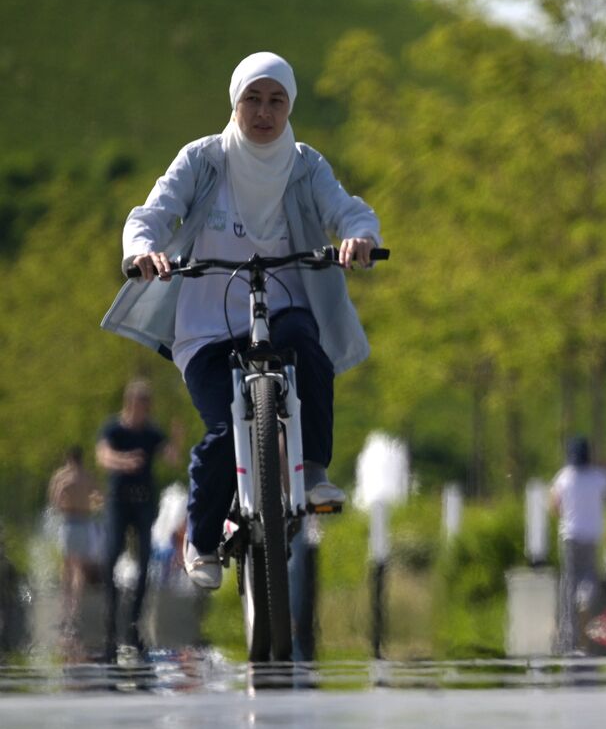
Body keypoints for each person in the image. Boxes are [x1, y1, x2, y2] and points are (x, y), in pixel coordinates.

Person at [101, 51, 382, 591]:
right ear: (234, 103)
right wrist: (142, 251)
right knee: (226, 428)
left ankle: (314, 469)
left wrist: (360, 237)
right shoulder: (203, 159)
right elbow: (153, 214)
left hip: (283, 307)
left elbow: (346, 209)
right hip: (206, 327)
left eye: (276, 100)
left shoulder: (304, 165)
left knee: (308, 345)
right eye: (252, 98)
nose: (264, 112)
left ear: (289, 106)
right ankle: (202, 540)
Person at [95, 379, 172, 657]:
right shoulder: (113, 428)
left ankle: (134, 620)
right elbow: (103, 456)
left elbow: (171, 457)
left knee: (145, 559)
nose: (144, 410)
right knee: (112, 554)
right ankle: (110, 617)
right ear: (129, 403)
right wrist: (124, 461)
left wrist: (176, 441)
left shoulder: (152, 432)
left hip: (143, 501)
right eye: (140, 404)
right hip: (118, 501)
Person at [550, 436, 606, 653]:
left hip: (570, 536)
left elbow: (554, 504)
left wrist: (565, 513)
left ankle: (569, 635)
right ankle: (585, 599)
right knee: (590, 575)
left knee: (569, 581)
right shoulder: (597, 477)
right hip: (591, 536)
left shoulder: (564, 477)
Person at [47, 446, 101, 636]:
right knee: (76, 568)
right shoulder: (87, 476)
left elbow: (54, 498)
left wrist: (63, 502)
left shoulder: (64, 477)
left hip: (71, 521)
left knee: (69, 567)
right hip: (81, 521)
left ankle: (68, 613)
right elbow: (99, 497)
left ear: (69, 458)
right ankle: (72, 612)